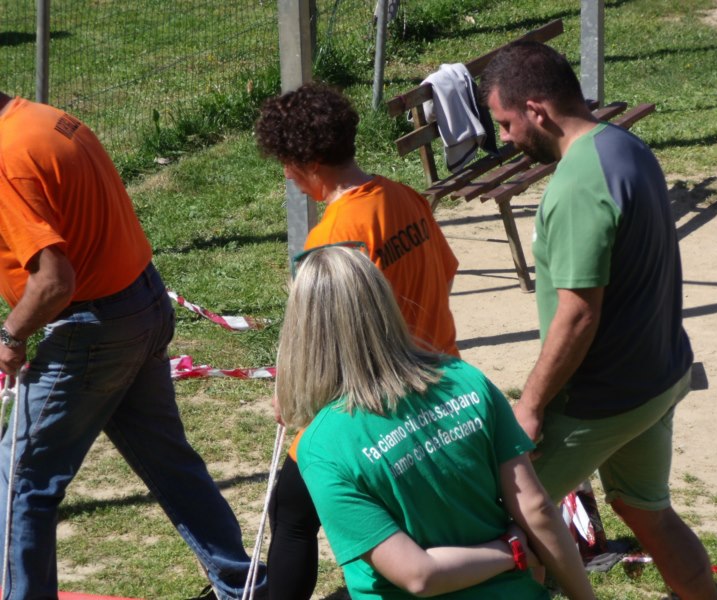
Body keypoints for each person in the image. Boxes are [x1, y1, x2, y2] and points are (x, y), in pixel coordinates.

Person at [0, 93, 268, 600]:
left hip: (91, 329)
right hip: (141, 300)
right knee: (169, 460)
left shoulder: (5, 159)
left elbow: (54, 281)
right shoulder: (45, 120)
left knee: (19, 483)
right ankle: (244, 585)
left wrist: (11, 335)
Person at [479, 42, 717, 600]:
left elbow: (579, 312)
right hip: (657, 378)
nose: (508, 139)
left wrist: (531, 408)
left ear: (536, 110)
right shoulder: (626, 147)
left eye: (507, 123)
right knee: (645, 509)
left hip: (596, 402)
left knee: (507, 527)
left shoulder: (576, 186)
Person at [274, 245, 596, 600]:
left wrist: (508, 554)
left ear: (301, 331)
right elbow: (535, 507)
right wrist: (520, 556)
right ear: (384, 302)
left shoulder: (322, 447)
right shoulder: (463, 379)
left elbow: (419, 576)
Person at [255, 83, 459, 599]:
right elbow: (446, 270)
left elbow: (323, 347)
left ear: (308, 160)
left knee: (293, 515)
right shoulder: (405, 196)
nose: (285, 175)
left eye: (286, 162)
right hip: (435, 379)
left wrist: (292, 397)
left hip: (373, 402)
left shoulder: (332, 239)